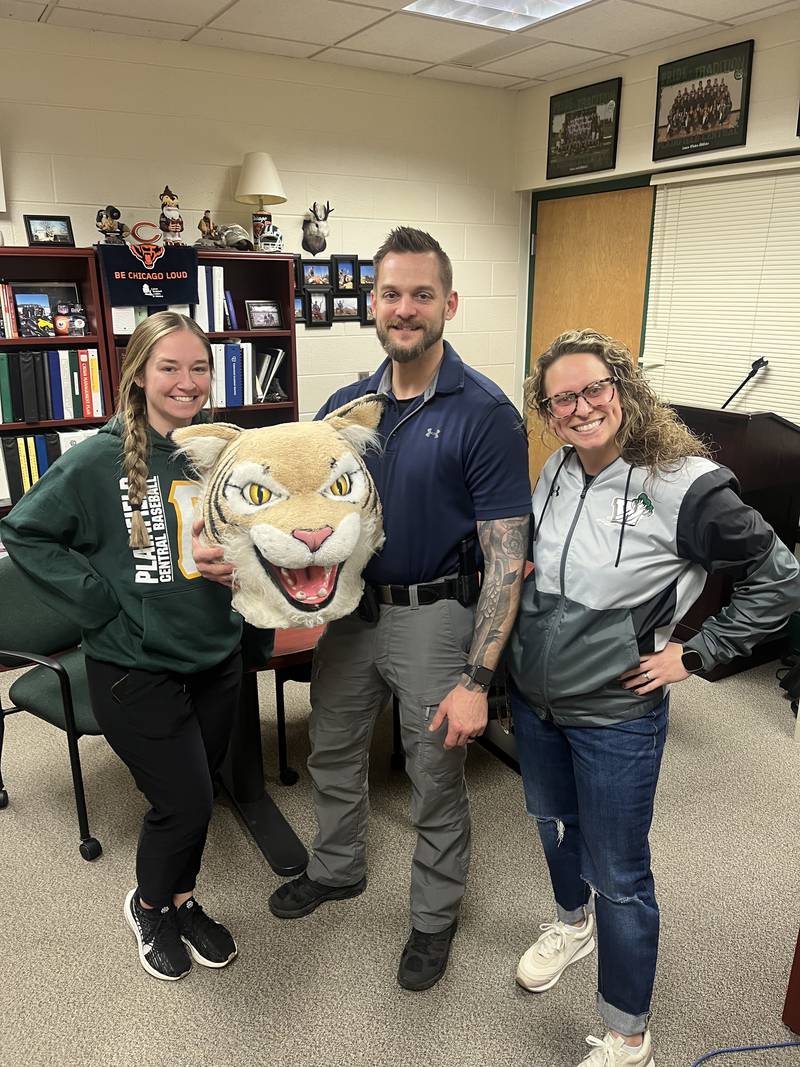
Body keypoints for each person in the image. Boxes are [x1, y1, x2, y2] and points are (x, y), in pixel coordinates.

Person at [193, 227, 532, 990]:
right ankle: (338, 867)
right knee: (333, 751)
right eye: (390, 294)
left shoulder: (485, 413)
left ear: (449, 303)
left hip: (437, 612)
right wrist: (229, 552)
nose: (404, 309)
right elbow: (289, 504)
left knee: (434, 772)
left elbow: (507, 561)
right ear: (371, 304)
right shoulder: (347, 407)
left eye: (420, 294)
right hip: (349, 611)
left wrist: (477, 681)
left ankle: (434, 915)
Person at [506, 329, 800, 1067]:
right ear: (548, 410)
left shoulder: (685, 483)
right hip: (538, 697)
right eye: (561, 398)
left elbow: (782, 577)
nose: (580, 408)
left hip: (616, 713)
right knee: (550, 824)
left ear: (623, 387)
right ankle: (572, 925)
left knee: (621, 874)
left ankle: (628, 1031)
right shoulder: (557, 470)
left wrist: (694, 654)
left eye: (593, 388)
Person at [1, 312, 262, 982]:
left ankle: (182, 896)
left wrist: (248, 566)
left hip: (215, 654)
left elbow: (246, 535)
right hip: (135, 667)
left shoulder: (223, 451)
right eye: (170, 366)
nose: (187, 381)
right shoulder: (98, 457)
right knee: (185, 801)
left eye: (199, 367)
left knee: (200, 792)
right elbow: (28, 532)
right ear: (140, 374)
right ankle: (148, 904)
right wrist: (96, 598)